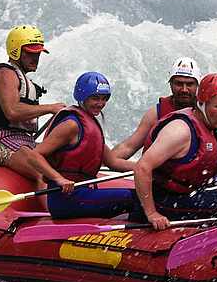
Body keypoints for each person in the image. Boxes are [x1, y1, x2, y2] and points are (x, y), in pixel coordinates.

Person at [134, 73, 217, 230]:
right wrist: (152, 213)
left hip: (192, 195)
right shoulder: (180, 130)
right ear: (201, 104)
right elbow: (142, 167)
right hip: (164, 200)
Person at [0, 25, 72, 191]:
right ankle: (50, 205)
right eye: (30, 53)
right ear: (16, 51)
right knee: (43, 172)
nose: (35, 58)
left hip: (26, 141)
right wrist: (50, 108)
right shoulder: (4, 73)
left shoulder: (26, 82)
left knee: (68, 157)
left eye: (38, 54)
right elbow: (12, 111)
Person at [35, 72, 139, 219]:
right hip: (65, 199)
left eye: (104, 99)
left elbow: (113, 162)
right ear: (82, 97)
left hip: (82, 193)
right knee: (131, 198)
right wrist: (58, 178)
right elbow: (35, 154)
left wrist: (146, 167)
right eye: (95, 98)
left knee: (139, 195)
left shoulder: (90, 124)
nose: (100, 103)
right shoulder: (71, 125)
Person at [107, 57, 203, 168]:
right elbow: (129, 146)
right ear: (170, 84)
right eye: (179, 84)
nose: (184, 89)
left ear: (198, 85)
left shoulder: (207, 112)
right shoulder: (156, 114)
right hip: (160, 175)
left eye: (189, 84)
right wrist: (108, 161)